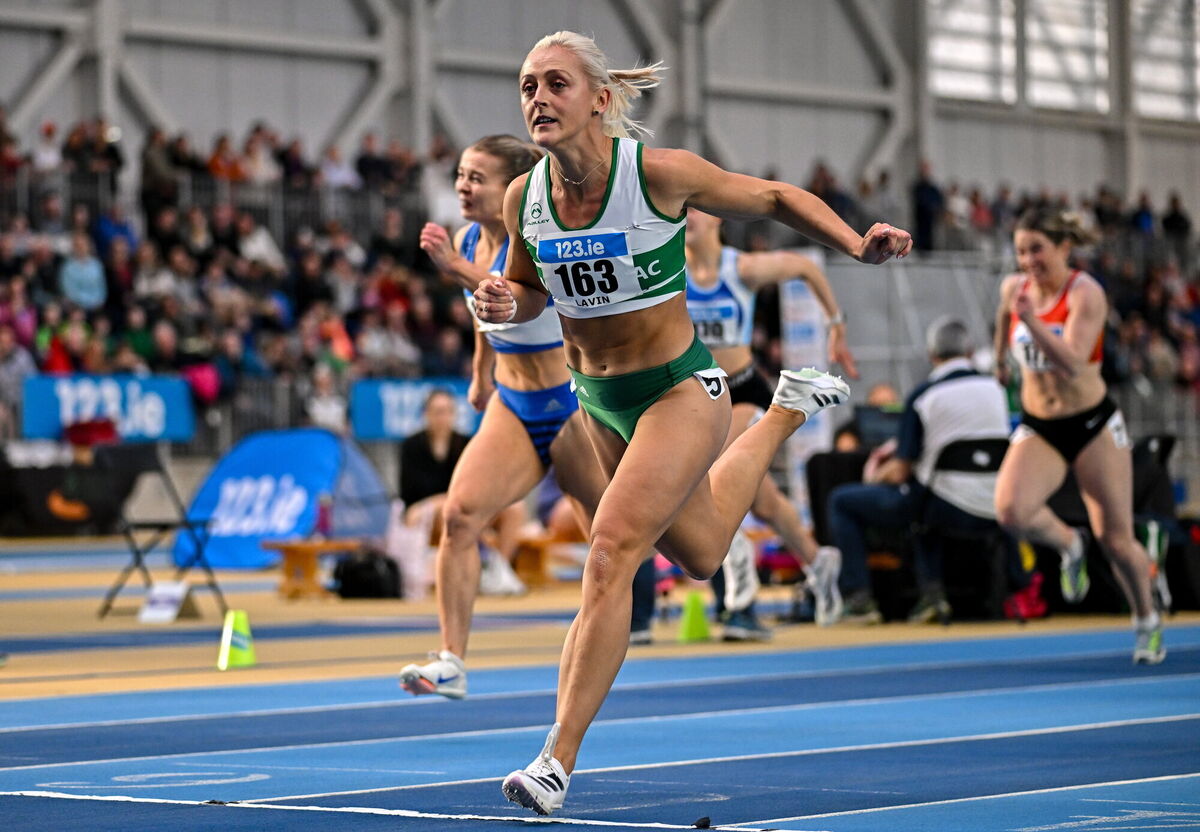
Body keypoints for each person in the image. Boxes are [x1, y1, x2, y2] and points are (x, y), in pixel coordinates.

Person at [471, 31, 911, 815]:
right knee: (703, 554)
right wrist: (507, 302)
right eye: (528, 85)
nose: (537, 98)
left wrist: (853, 242)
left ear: (601, 100)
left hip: (679, 390)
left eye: (556, 84)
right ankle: (780, 413)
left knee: (609, 554)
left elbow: (774, 199)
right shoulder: (523, 199)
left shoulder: (659, 175)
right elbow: (524, 286)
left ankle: (554, 762)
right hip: (595, 398)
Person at [399, 135, 605, 697]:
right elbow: (484, 314)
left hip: (571, 404)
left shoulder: (536, 237)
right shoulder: (469, 238)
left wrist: (452, 267)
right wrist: (478, 372)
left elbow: (503, 292)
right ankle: (451, 662)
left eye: (477, 178)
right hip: (513, 406)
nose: (463, 186)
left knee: (606, 534)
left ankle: (630, 609)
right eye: (461, 175)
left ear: (514, 188)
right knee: (461, 517)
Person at [629, 208, 857, 640]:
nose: (688, 216)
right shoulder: (667, 266)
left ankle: (741, 601)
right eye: (682, 211)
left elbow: (806, 266)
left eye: (697, 209)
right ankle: (818, 561)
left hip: (745, 390)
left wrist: (835, 326)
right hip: (696, 394)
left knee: (713, 482)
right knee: (762, 499)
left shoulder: (743, 268)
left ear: (718, 219)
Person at [993, 207, 1164, 665]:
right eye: (1021, 252)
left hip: (1091, 424)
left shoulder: (1085, 293)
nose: (1028, 261)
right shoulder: (1015, 289)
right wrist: (997, 360)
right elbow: (1002, 323)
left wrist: (1030, 323)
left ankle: (1146, 618)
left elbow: (1070, 362)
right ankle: (1070, 544)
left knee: (1116, 537)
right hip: (1040, 424)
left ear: (1063, 247)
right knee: (1011, 511)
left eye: (1037, 250)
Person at [825, 317, 1012, 624]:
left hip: (941, 506)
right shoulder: (997, 389)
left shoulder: (924, 396)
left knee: (842, 501)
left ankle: (860, 601)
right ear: (968, 350)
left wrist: (874, 477)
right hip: (997, 505)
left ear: (931, 355)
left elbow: (899, 472)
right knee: (926, 496)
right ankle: (931, 595)